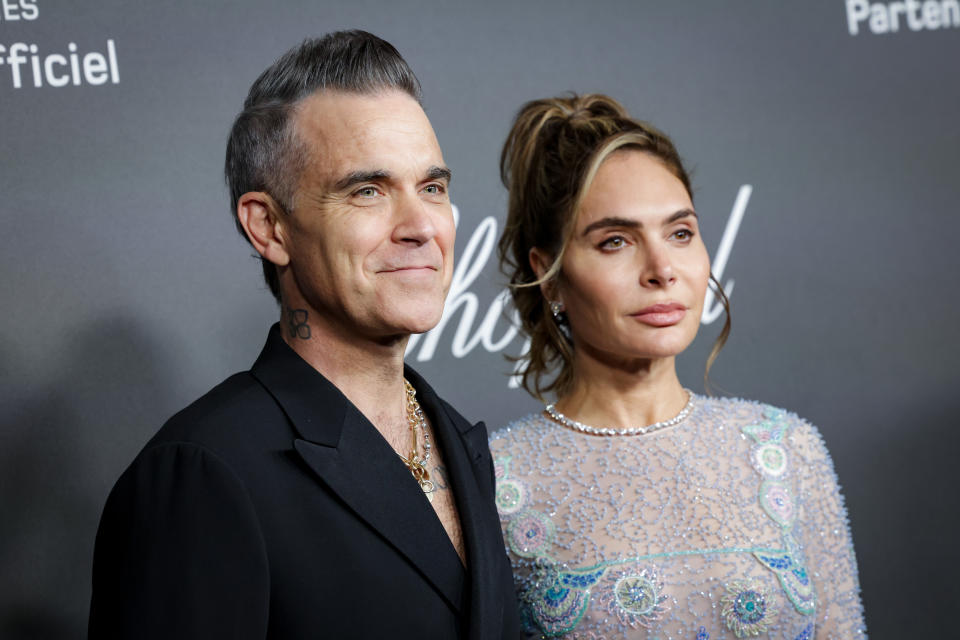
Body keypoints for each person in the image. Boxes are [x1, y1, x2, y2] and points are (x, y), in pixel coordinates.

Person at [89, 31, 520, 640]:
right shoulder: (205, 473)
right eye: (368, 190)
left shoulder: (460, 441)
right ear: (269, 227)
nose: (422, 225)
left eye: (432, 187)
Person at [489, 94, 866, 639]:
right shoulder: (499, 480)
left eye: (680, 233)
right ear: (549, 276)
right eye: (615, 241)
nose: (662, 268)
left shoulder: (787, 451)